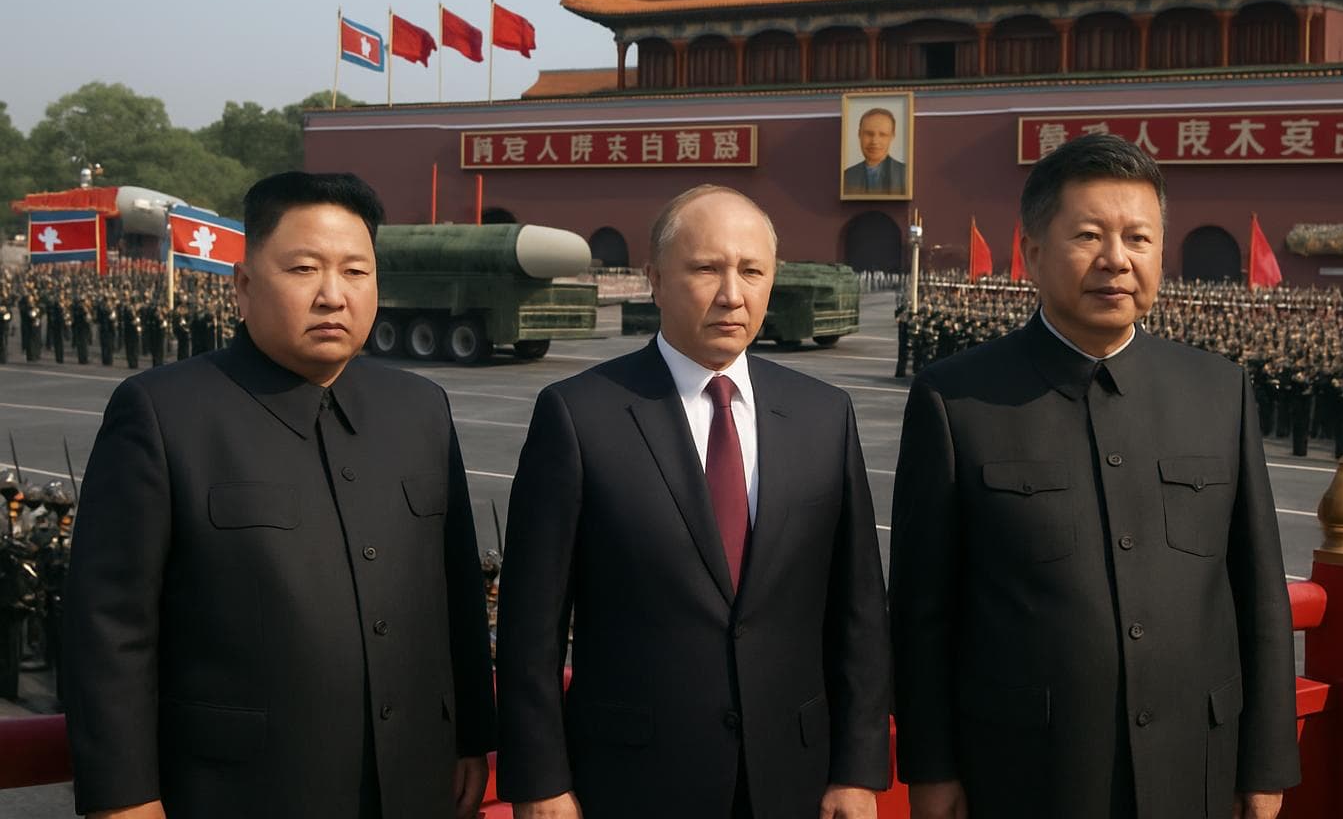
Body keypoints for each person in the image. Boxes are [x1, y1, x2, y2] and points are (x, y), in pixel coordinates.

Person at [889, 135, 1299, 819]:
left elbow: (1258, 592)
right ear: (1034, 253)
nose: (1117, 259)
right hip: (1025, 770)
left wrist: (1265, 763)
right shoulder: (956, 400)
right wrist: (930, 768)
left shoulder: (1217, 390)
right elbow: (923, 609)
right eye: (1089, 235)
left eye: (1139, 237)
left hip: (1193, 763)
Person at [63, 171, 495, 819]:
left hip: (415, 784)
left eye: (355, 271)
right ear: (243, 285)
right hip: (241, 790)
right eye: (303, 269)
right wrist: (124, 798)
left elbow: (456, 590)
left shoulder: (420, 409)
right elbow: (109, 630)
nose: (332, 295)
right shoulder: (165, 414)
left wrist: (472, 735)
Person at [496, 184, 891, 819]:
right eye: (706, 268)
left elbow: (860, 611)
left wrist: (859, 768)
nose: (732, 294)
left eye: (752, 271)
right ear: (654, 278)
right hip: (633, 777)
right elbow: (530, 626)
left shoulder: (824, 415)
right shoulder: (579, 415)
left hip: (794, 776)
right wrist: (540, 780)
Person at [842, 107, 908, 195]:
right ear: (859, 134)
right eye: (869, 134)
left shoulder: (905, 174)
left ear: (892, 136)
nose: (874, 141)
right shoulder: (846, 176)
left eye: (882, 135)